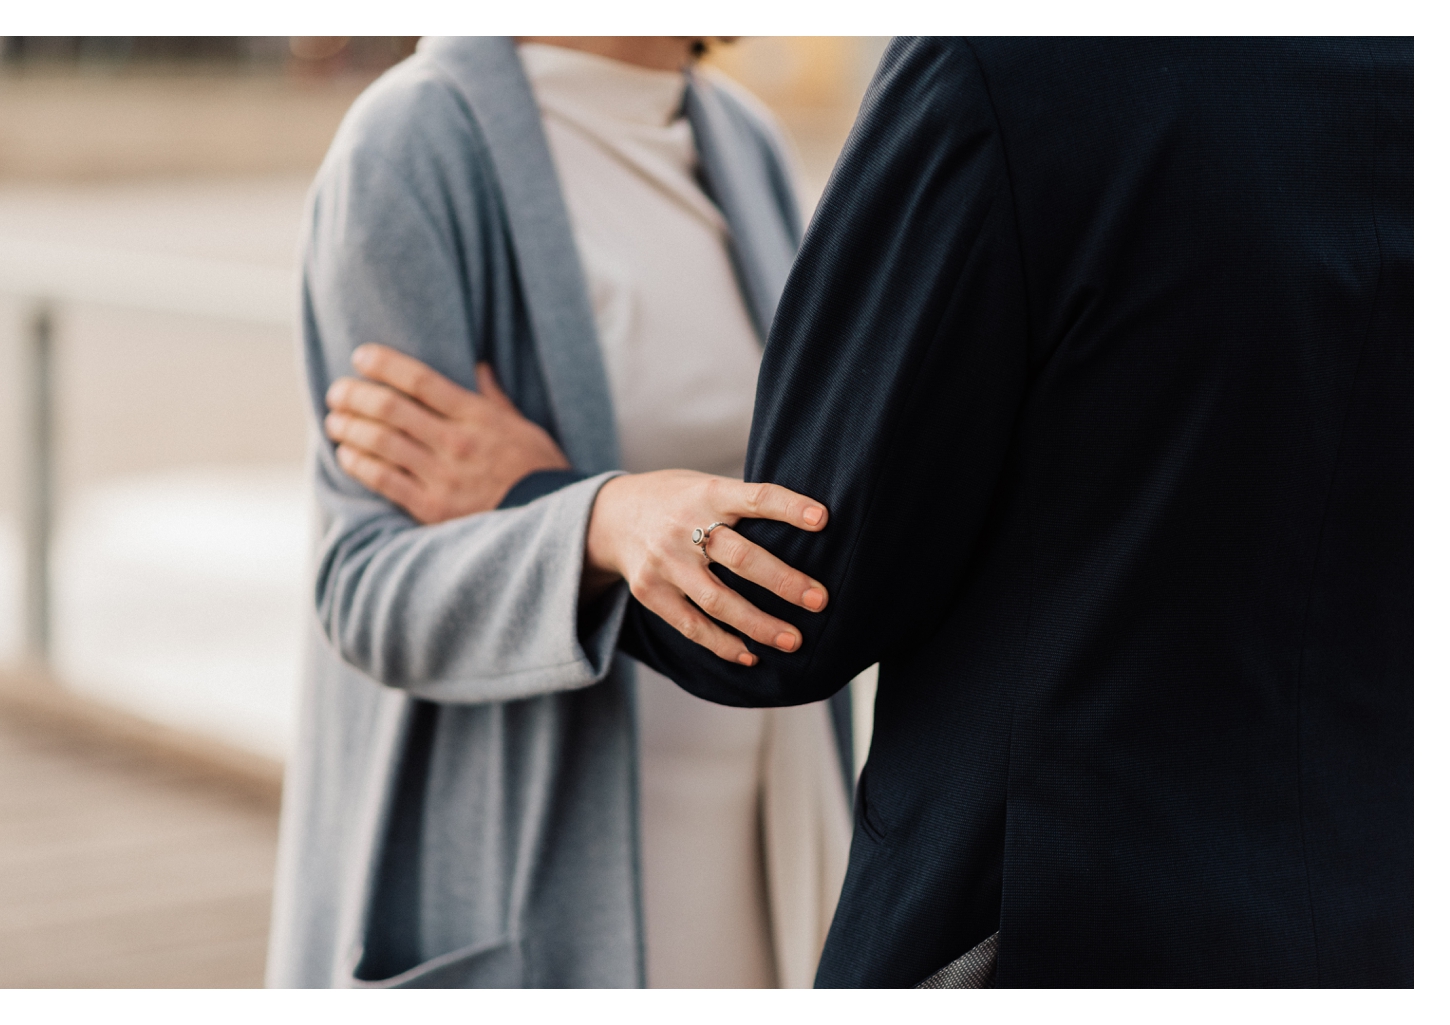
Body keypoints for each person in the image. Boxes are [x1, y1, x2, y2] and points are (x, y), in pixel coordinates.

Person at [356, 37, 1412, 986]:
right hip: (1369, 909)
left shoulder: (967, 71)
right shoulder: (1397, 64)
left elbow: (799, 594)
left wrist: (551, 502)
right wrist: (586, 523)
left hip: (1059, 920)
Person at [265, 36, 852, 989]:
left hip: (769, 824)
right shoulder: (413, 138)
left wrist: (546, 493)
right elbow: (362, 588)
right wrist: (599, 520)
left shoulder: (740, 135)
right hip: (541, 888)